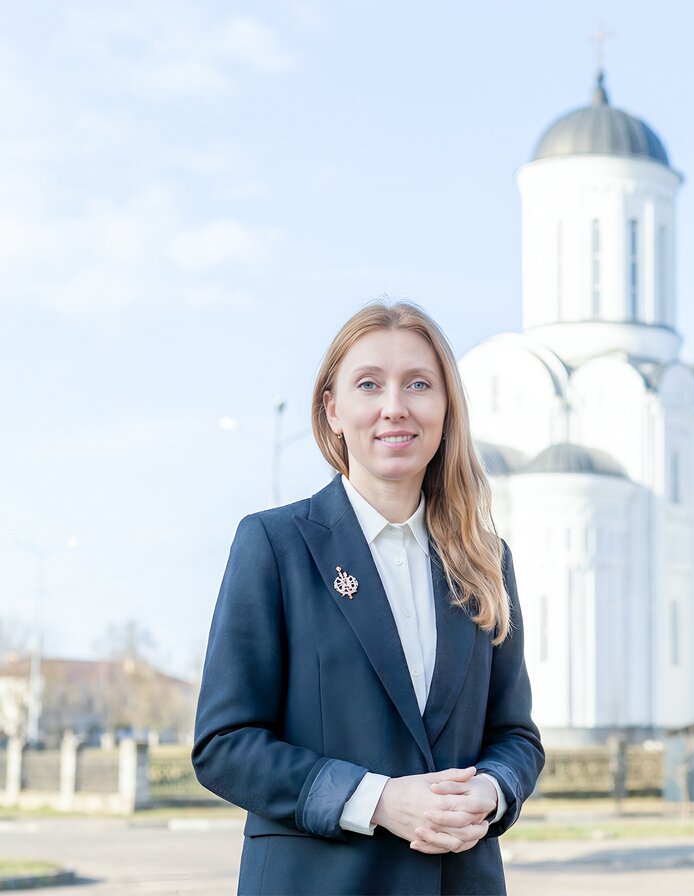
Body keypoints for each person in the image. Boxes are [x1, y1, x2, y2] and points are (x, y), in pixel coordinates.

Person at [192, 300, 544, 895]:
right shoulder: (274, 545)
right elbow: (224, 746)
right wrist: (377, 800)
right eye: (369, 384)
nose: (394, 407)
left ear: (445, 409)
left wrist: (491, 790)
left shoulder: (486, 559)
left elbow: (515, 737)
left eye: (418, 384)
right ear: (333, 409)